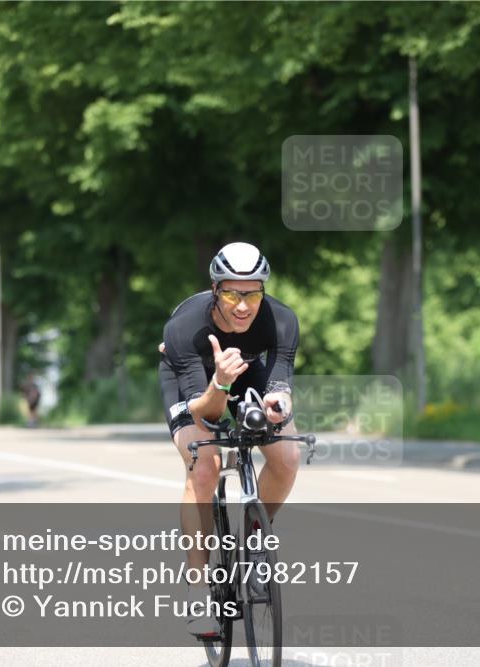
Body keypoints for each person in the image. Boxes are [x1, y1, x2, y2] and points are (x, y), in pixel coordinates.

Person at [159, 242, 300, 637]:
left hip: (247, 372)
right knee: (205, 466)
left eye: (253, 294)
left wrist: (279, 404)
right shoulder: (184, 328)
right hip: (196, 384)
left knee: (287, 457)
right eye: (232, 294)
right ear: (215, 288)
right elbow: (206, 414)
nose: (243, 306)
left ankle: (254, 542)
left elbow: (280, 381)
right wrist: (220, 381)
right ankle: (198, 589)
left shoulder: (282, 320)